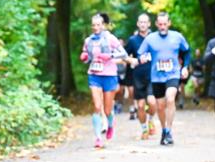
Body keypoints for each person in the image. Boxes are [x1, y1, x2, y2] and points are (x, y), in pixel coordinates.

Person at [137, 12, 190, 146]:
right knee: (160, 106)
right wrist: (141, 58)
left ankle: (169, 131)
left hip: (173, 74)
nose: (162, 27)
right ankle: (164, 130)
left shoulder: (177, 37)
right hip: (157, 77)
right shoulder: (150, 38)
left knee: (170, 98)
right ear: (156, 24)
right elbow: (140, 53)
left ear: (169, 23)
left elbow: (187, 51)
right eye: (160, 24)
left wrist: (185, 67)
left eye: (164, 24)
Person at [79, 13, 128, 148]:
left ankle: (110, 124)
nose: (96, 27)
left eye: (98, 25)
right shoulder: (88, 41)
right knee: (97, 106)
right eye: (93, 25)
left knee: (107, 110)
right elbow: (88, 57)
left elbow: (123, 54)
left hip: (109, 75)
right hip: (94, 75)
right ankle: (98, 138)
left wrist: (110, 56)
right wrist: (84, 57)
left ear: (103, 25)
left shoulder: (110, 38)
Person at [124, 13, 157, 140]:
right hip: (138, 77)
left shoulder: (154, 38)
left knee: (152, 102)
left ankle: (151, 119)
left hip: (153, 76)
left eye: (145, 22)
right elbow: (124, 56)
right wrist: (132, 60)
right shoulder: (133, 40)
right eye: (141, 22)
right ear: (138, 24)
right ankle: (144, 129)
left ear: (149, 24)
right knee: (141, 106)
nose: (143, 24)